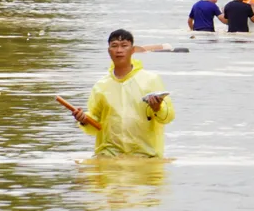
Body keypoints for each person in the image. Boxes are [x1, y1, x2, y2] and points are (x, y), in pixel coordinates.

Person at [71, 29, 176, 159]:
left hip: (145, 155)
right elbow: (95, 122)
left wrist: (157, 108)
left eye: (124, 45)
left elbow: (168, 117)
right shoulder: (101, 86)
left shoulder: (151, 80)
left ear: (132, 50)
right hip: (109, 154)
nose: (119, 50)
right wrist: (84, 119)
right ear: (109, 50)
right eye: (114, 46)